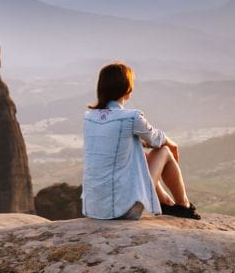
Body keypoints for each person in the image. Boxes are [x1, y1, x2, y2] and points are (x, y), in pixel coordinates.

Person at [81, 62, 200, 220]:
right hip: (122, 210)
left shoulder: (89, 117)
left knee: (139, 153)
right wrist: (172, 144)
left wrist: (140, 143)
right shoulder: (132, 117)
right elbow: (157, 140)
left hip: (94, 208)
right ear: (127, 87)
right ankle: (184, 205)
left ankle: (165, 202)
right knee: (164, 151)